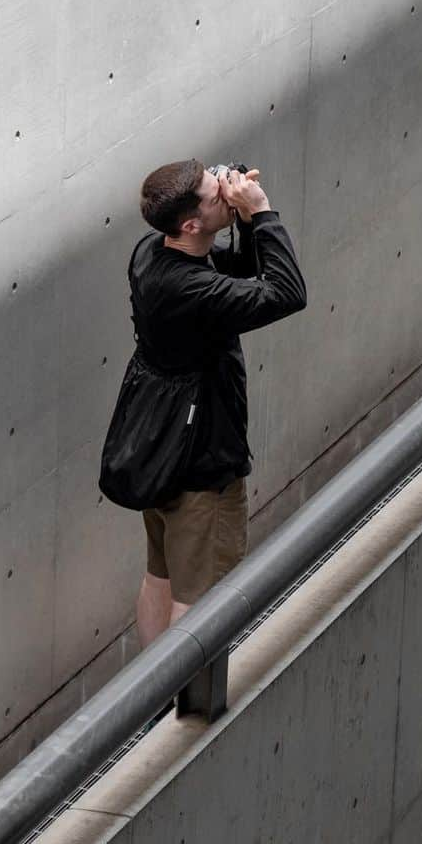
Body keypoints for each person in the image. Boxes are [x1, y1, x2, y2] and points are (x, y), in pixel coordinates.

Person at [128, 158, 307, 648]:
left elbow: (234, 273)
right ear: (190, 223)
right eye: (214, 195)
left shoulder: (153, 253)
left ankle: (151, 701)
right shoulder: (192, 290)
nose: (225, 190)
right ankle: (190, 711)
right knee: (202, 598)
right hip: (203, 463)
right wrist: (263, 213)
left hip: (160, 446)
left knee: (160, 575)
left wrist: (239, 221)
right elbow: (287, 293)